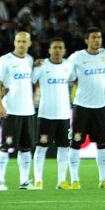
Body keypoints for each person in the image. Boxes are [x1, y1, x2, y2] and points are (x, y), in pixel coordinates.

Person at [67, 27, 105, 189]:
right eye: (93, 37)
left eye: (99, 37)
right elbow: (68, 75)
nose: (97, 40)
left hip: (100, 106)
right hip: (82, 106)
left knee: (102, 144)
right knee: (76, 143)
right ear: (86, 40)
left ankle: (103, 179)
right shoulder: (77, 57)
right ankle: (75, 180)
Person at [0, 31, 36, 191]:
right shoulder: (5, 60)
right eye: (18, 41)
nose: (21, 44)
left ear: (29, 43)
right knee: (6, 146)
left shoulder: (30, 60)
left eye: (24, 41)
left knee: (26, 147)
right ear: (14, 42)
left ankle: (24, 181)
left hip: (28, 111)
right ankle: (0, 182)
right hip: (11, 110)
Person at [31, 38, 75, 190]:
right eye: (54, 47)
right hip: (46, 114)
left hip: (64, 114)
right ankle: (38, 180)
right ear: (49, 50)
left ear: (64, 51)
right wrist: (33, 65)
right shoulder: (42, 65)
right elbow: (31, 79)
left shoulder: (69, 66)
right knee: (41, 147)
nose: (57, 50)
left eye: (60, 48)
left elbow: (75, 80)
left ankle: (61, 181)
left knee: (64, 148)